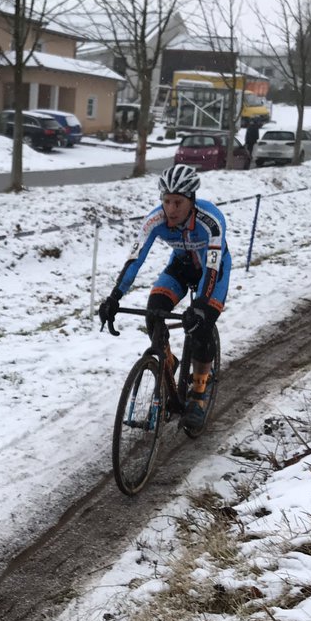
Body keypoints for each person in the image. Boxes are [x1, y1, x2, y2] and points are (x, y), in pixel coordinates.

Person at [98, 164, 230, 432]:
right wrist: (114, 296)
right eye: (166, 201)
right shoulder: (155, 220)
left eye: (178, 202)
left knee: (201, 327)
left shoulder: (210, 221)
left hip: (212, 272)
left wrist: (202, 307)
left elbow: (213, 268)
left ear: (191, 201)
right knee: (154, 310)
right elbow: (135, 259)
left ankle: (199, 393)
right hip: (180, 267)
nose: (171, 209)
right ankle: (169, 363)